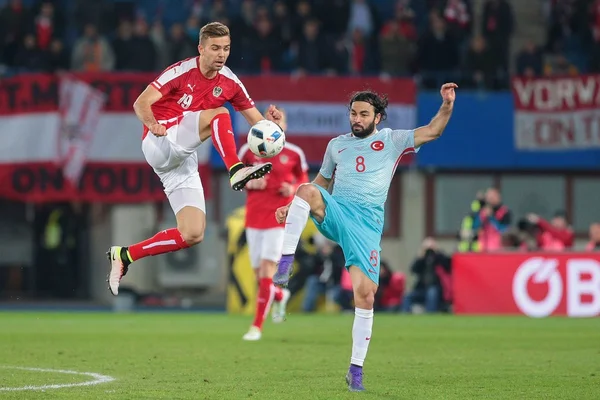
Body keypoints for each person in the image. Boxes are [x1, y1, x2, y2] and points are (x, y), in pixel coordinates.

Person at [273, 83, 457, 391]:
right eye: (353, 113)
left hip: (367, 225)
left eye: (363, 114)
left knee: (366, 295)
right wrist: (293, 204)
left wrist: (447, 106)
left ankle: (355, 370)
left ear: (378, 117)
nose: (356, 119)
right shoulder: (336, 145)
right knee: (306, 189)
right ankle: (284, 263)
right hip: (337, 211)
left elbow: (432, 131)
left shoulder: (393, 140)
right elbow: (321, 182)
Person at [107, 22, 282, 296]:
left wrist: (277, 129)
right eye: (214, 48)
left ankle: (125, 255)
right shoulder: (180, 71)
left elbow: (259, 128)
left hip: (182, 159)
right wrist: (152, 124)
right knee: (220, 114)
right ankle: (235, 169)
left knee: (192, 233)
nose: (221, 54)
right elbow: (140, 103)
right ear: (200, 49)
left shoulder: (230, 81)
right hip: (159, 140)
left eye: (226, 48)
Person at [237, 108, 309, 340]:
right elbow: (235, 177)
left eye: (278, 121)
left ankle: (256, 326)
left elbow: (304, 181)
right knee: (261, 275)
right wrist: (249, 182)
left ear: (284, 127)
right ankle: (279, 296)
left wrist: (293, 190)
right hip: (254, 217)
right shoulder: (248, 150)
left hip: (278, 218)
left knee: (267, 270)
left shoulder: (294, 153)